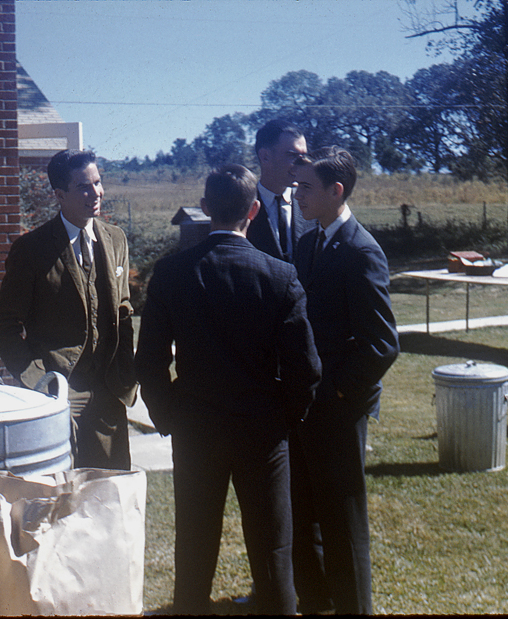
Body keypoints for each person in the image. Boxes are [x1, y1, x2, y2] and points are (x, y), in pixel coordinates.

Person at [134, 164, 321, 615]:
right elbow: (306, 368)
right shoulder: (279, 275)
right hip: (263, 432)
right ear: (253, 211)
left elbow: (149, 361)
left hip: (196, 428)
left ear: (204, 208)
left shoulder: (172, 272)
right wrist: (284, 418)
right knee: (273, 547)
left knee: (194, 543)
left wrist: (169, 416)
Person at [289, 146, 399, 614]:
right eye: (296, 186)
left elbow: (382, 344)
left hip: (337, 409)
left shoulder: (361, 251)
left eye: (306, 187)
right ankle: (317, 602)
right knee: (305, 513)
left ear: (336, 191)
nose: (297, 195)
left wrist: (337, 391)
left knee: (342, 520)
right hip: (304, 406)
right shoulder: (308, 243)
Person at [0, 149, 137, 470]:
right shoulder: (31, 249)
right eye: (83, 187)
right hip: (57, 393)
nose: (95, 193)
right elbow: (2, 325)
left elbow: (124, 311)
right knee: (61, 489)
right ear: (59, 195)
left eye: (97, 183)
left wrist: (125, 375)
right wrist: (36, 380)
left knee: (110, 490)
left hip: (108, 390)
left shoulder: (116, 239)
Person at [247, 119, 309, 262]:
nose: (301, 164)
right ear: (265, 156)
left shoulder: (312, 204)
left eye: (304, 156)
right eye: (292, 155)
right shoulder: (242, 208)